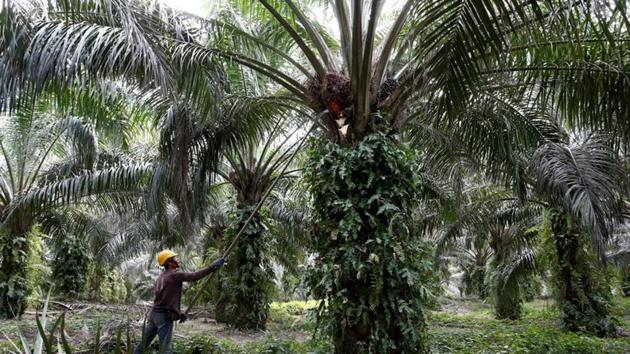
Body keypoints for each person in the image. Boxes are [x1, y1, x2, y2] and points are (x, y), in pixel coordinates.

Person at [134, 250, 225, 354]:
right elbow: (194, 276)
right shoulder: (174, 275)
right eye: (174, 258)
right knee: (165, 350)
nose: (178, 260)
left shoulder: (161, 277)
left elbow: (165, 299)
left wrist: (178, 313)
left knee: (142, 345)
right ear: (169, 262)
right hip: (164, 317)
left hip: (154, 315)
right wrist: (212, 267)